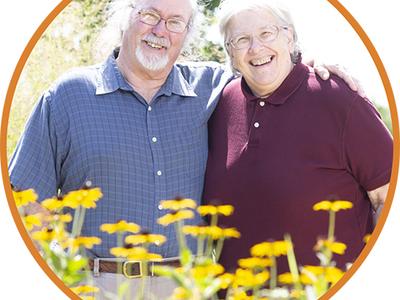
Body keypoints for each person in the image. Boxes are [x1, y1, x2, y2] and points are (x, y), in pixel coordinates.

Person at [8, 0, 364, 297]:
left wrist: (314, 63)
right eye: (149, 15)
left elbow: (265, 64)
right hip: (97, 284)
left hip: (186, 285)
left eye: (175, 22)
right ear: (124, 20)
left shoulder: (213, 90)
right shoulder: (68, 96)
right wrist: (61, 269)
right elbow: (23, 195)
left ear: (187, 36)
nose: (160, 30)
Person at [203, 0, 393, 274]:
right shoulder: (219, 104)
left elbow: (387, 198)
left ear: (289, 36)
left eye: (267, 33)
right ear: (230, 53)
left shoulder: (337, 97)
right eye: (241, 39)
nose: (256, 48)